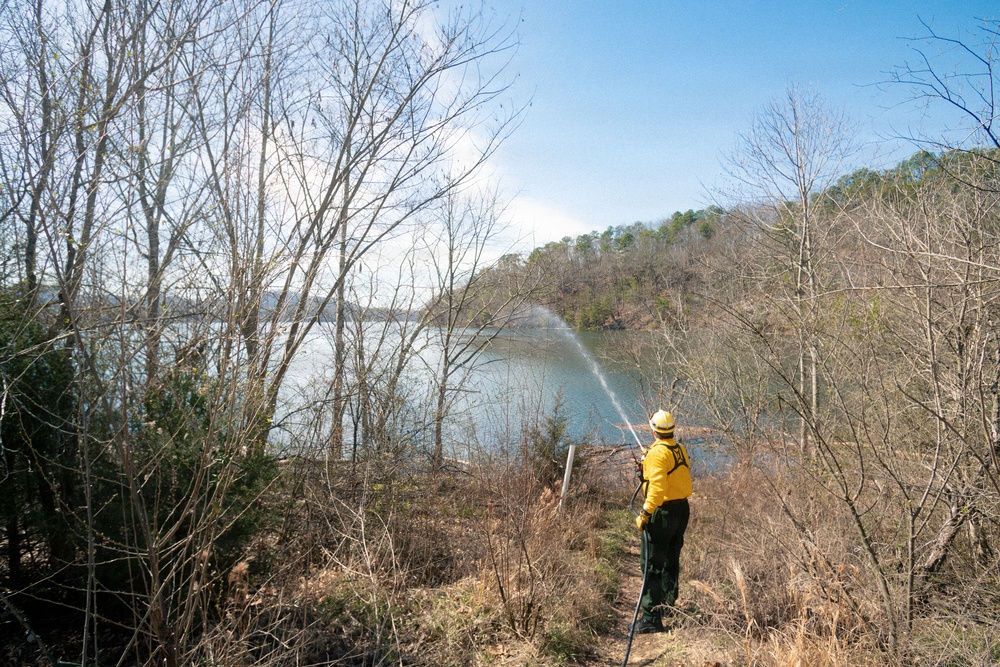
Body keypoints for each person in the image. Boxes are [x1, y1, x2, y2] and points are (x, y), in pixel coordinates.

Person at [633, 409, 692, 634]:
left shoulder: (657, 453)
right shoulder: (678, 449)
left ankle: (650, 618)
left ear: (654, 430)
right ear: (671, 430)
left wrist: (645, 514)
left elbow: (657, 489)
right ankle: (667, 605)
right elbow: (674, 477)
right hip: (681, 509)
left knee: (651, 564)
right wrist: (644, 468)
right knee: (670, 559)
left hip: (663, 513)